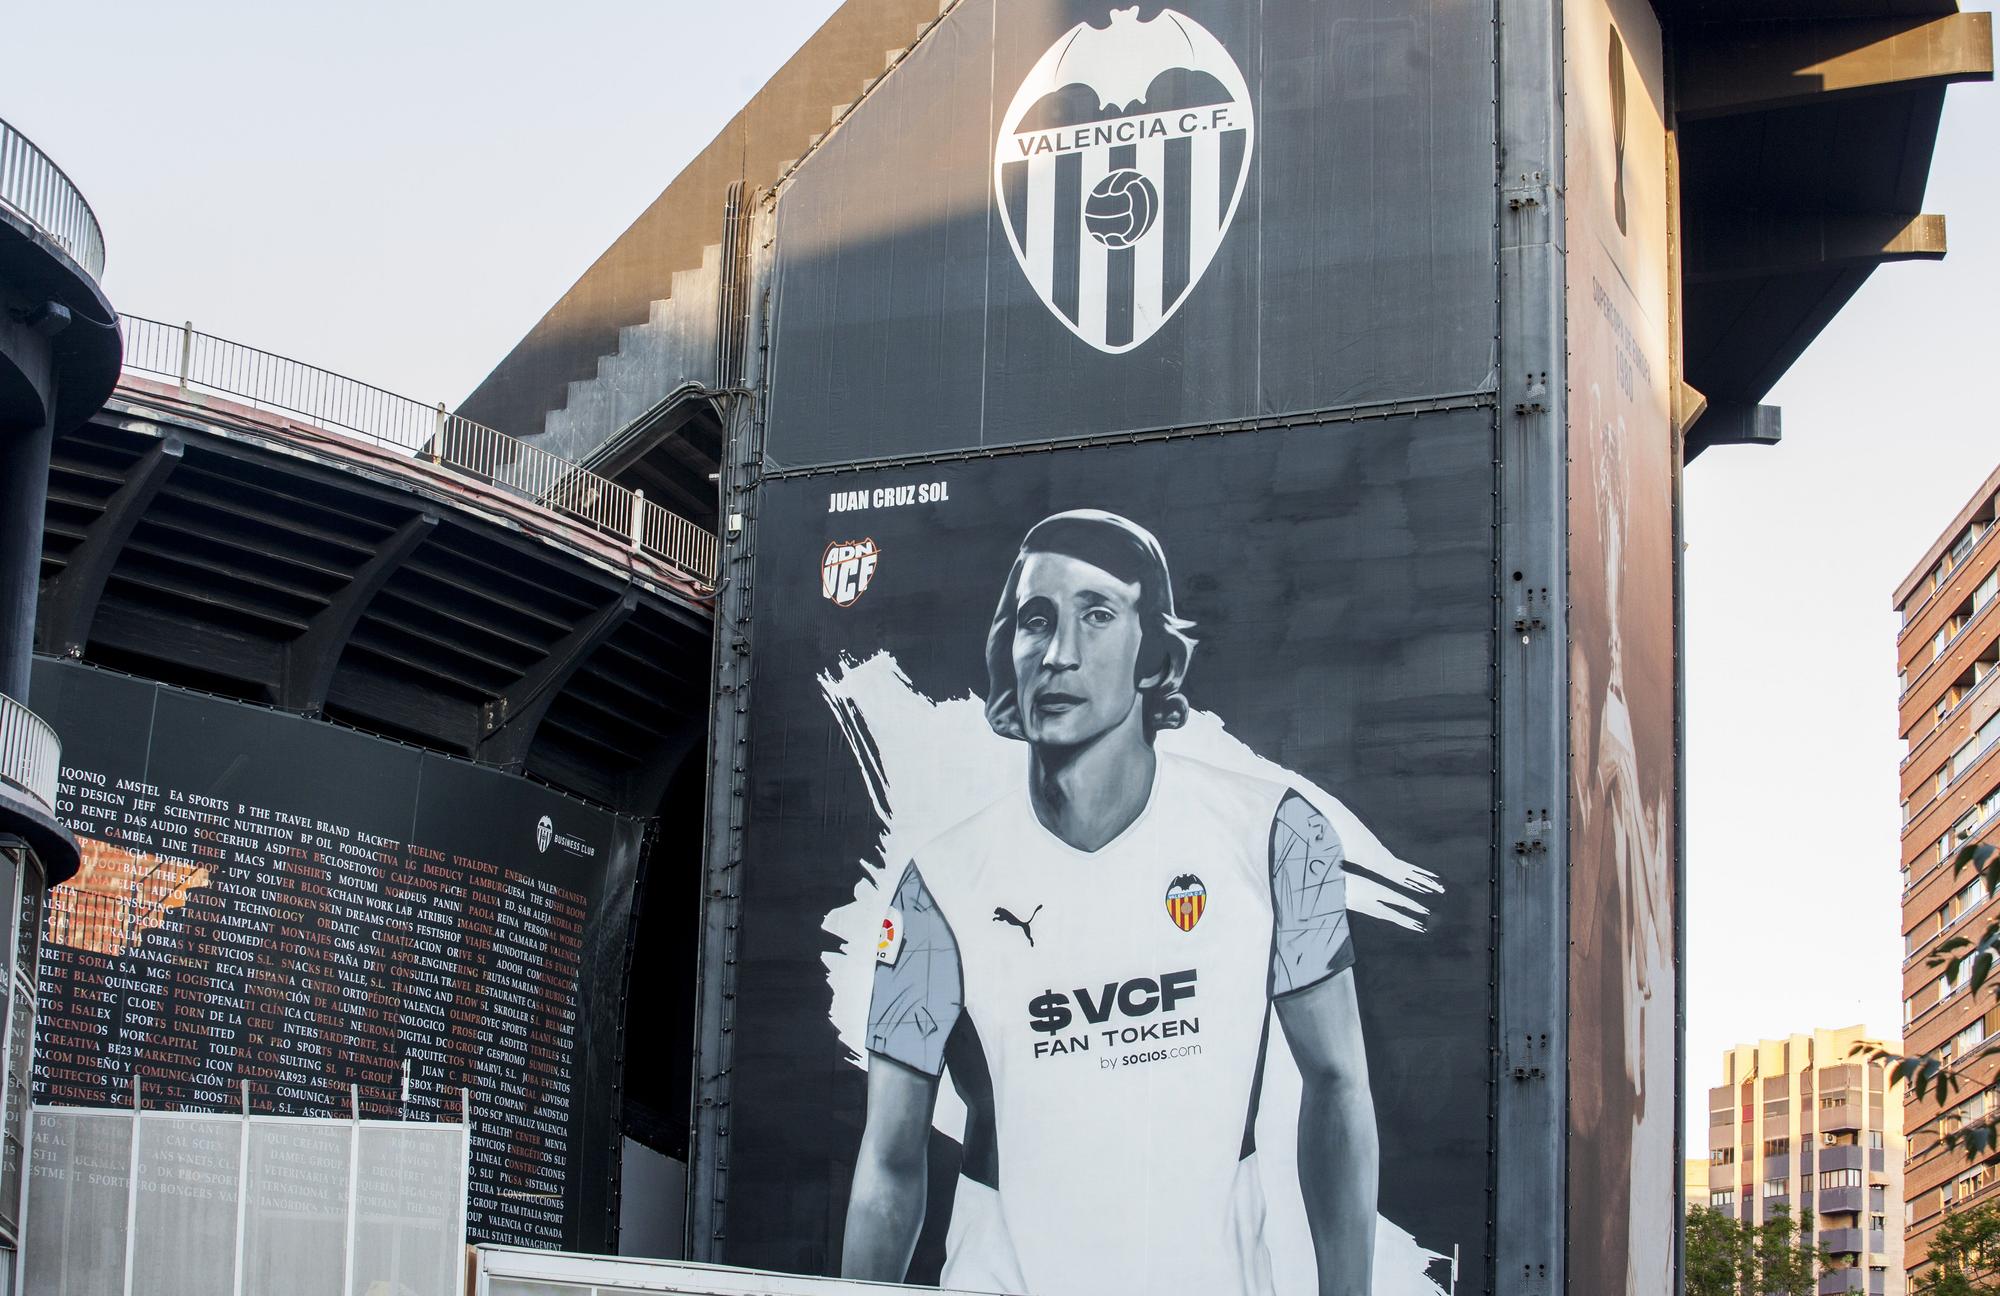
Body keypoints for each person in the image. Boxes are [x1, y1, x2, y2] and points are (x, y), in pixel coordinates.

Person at [842, 510, 1377, 1296]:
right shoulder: (938, 885)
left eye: (1096, 614)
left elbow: (1337, 1083)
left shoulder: (1275, 835)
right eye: (1036, 620)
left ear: (1154, 655)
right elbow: (891, 1162)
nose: (1058, 653)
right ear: (1008, 649)